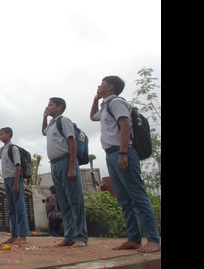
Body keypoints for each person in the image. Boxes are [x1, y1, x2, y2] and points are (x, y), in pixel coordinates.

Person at [90, 75, 161, 253]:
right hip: (111, 154)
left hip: (123, 152)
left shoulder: (116, 103)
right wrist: (95, 99)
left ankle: (153, 240)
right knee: (124, 199)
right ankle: (133, 238)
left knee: (138, 196)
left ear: (111, 87)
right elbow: (92, 117)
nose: (99, 86)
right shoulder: (106, 105)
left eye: (102, 84)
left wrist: (123, 153)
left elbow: (125, 126)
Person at [42, 97, 88, 248]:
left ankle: (80, 237)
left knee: (75, 200)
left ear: (59, 107)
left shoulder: (64, 121)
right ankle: (69, 236)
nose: (48, 107)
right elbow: (43, 132)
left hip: (66, 160)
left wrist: (71, 167)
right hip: (54, 164)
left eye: (51, 105)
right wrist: (43, 117)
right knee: (63, 202)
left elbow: (72, 142)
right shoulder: (51, 124)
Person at [0, 127, 30, 245]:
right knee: (11, 209)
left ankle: (23, 235)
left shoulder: (13, 148)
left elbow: (18, 166)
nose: (0, 136)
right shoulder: (3, 149)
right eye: (0, 134)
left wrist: (16, 183)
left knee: (19, 207)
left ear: (8, 134)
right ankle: (14, 235)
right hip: (6, 179)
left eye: (2, 134)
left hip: (14, 179)